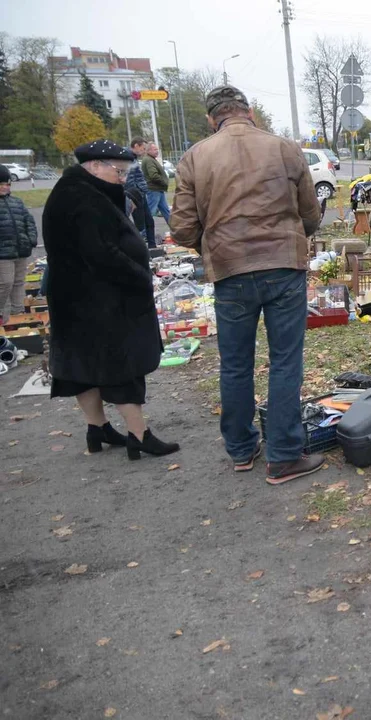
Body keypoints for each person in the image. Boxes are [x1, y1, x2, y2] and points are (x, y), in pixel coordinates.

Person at [171, 85, 323, 485]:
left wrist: (214, 246)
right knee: (285, 361)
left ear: (212, 118)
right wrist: (290, 235)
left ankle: (241, 449)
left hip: (229, 270)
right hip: (283, 267)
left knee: (235, 364)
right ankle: (285, 456)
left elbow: (183, 227)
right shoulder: (286, 148)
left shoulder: (195, 157)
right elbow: (310, 213)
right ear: (249, 111)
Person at [41, 139, 179, 459]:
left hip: (74, 300)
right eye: (118, 171)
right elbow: (103, 254)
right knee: (120, 368)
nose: (122, 178)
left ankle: (97, 428)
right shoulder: (84, 199)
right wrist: (140, 277)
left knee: (83, 367)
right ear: (95, 166)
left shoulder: (70, 191)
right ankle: (138, 434)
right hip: (102, 300)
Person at [0, 164, 37, 325]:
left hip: (21, 251)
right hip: (3, 254)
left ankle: (17, 313)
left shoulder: (17, 202)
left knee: (18, 282)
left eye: (7, 184)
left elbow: (29, 222)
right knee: (5, 283)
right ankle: (3, 313)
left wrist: (31, 239)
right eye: (1, 184)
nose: (5, 187)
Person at [125, 137, 156, 247]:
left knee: (149, 222)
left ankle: (152, 247)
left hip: (141, 193)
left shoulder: (133, 158)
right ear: (136, 146)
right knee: (140, 225)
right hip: (135, 195)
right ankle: (140, 248)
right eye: (143, 148)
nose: (144, 151)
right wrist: (136, 193)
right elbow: (129, 179)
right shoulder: (127, 158)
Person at [142, 143, 171, 223]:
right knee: (150, 211)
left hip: (158, 189)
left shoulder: (151, 159)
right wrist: (164, 182)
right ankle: (143, 233)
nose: (157, 151)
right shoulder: (149, 160)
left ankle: (175, 230)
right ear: (148, 150)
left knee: (166, 211)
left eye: (157, 149)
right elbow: (153, 175)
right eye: (155, 149)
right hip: (154, 189)